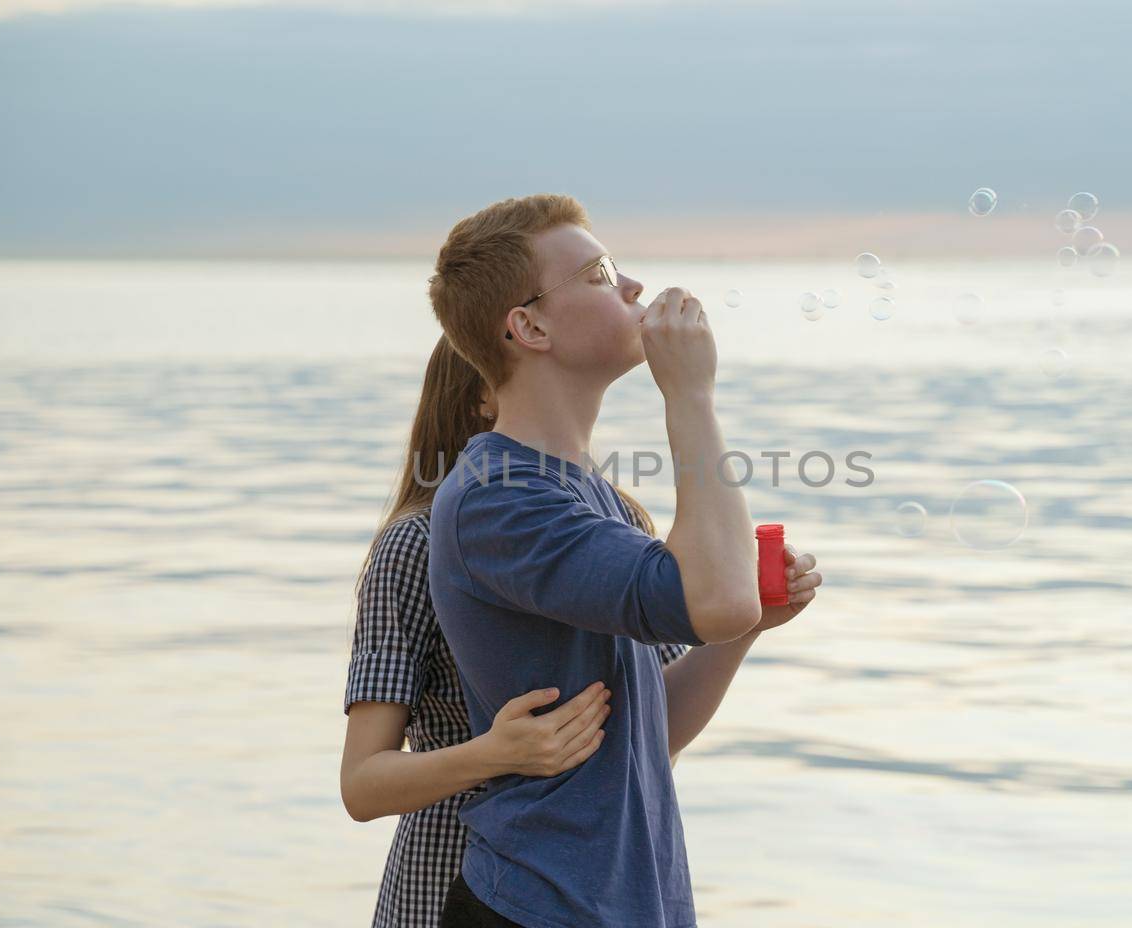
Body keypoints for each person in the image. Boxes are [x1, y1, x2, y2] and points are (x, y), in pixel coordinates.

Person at [426, 194, 822, 928]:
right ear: (529, 326)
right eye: (602, 272)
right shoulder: (499, 501)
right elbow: (716, 601)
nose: (633, 287)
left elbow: (650, 731)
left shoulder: (576, 492)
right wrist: (692, 394)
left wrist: (749, 625)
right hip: (540, 906)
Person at [339, 335, 692, 928]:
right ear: (482, 394)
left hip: (598, 892)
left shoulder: (615, 519)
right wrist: (494, 754)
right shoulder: (415, 545)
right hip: (449, 889)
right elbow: (362, 785)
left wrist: (745, 624)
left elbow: (660, 734)